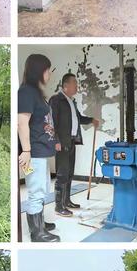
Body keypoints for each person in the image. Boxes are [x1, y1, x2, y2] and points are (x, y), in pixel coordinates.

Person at [18, 54, 60, 242]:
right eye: (47, 70)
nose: (49, 74)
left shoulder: (36, 93)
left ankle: (40, 222)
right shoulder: (26, 91)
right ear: (39, 71)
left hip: (41, 151)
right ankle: (37, 233)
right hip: (33, 152)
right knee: (35, 191)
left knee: (42, 188)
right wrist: (26, 151)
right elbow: (22, 122)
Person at [49, 74, 99, 217]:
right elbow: (52, 122)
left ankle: (67, 201)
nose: (77, 86)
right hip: (62, 142)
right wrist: (56, 141)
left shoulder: (71, 102)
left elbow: (79, 119)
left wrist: (91, 120)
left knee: (69, 173)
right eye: (74, 83)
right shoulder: (56, 100)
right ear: (65, 85)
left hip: (72, 141)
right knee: (62, 174)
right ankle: (59, 206)